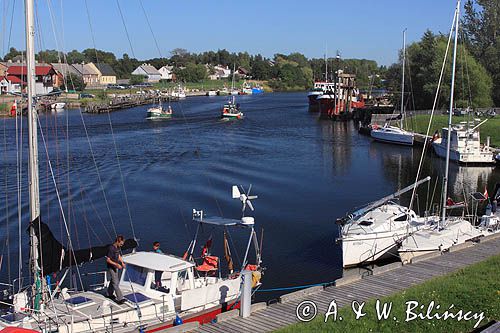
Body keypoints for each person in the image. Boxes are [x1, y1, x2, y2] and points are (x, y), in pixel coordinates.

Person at [106, 235, 126, 304]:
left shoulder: (117, 248)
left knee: (113, 281)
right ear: (118, 241)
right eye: (121, 244)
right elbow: (108, 260)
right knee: (115, 283)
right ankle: (120, 298)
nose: (121, 245)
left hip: (116, 267)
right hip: (112, 267)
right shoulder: (111, 248)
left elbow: (118, 255)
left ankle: (109, 294)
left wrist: (122, 262)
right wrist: (116, 264)